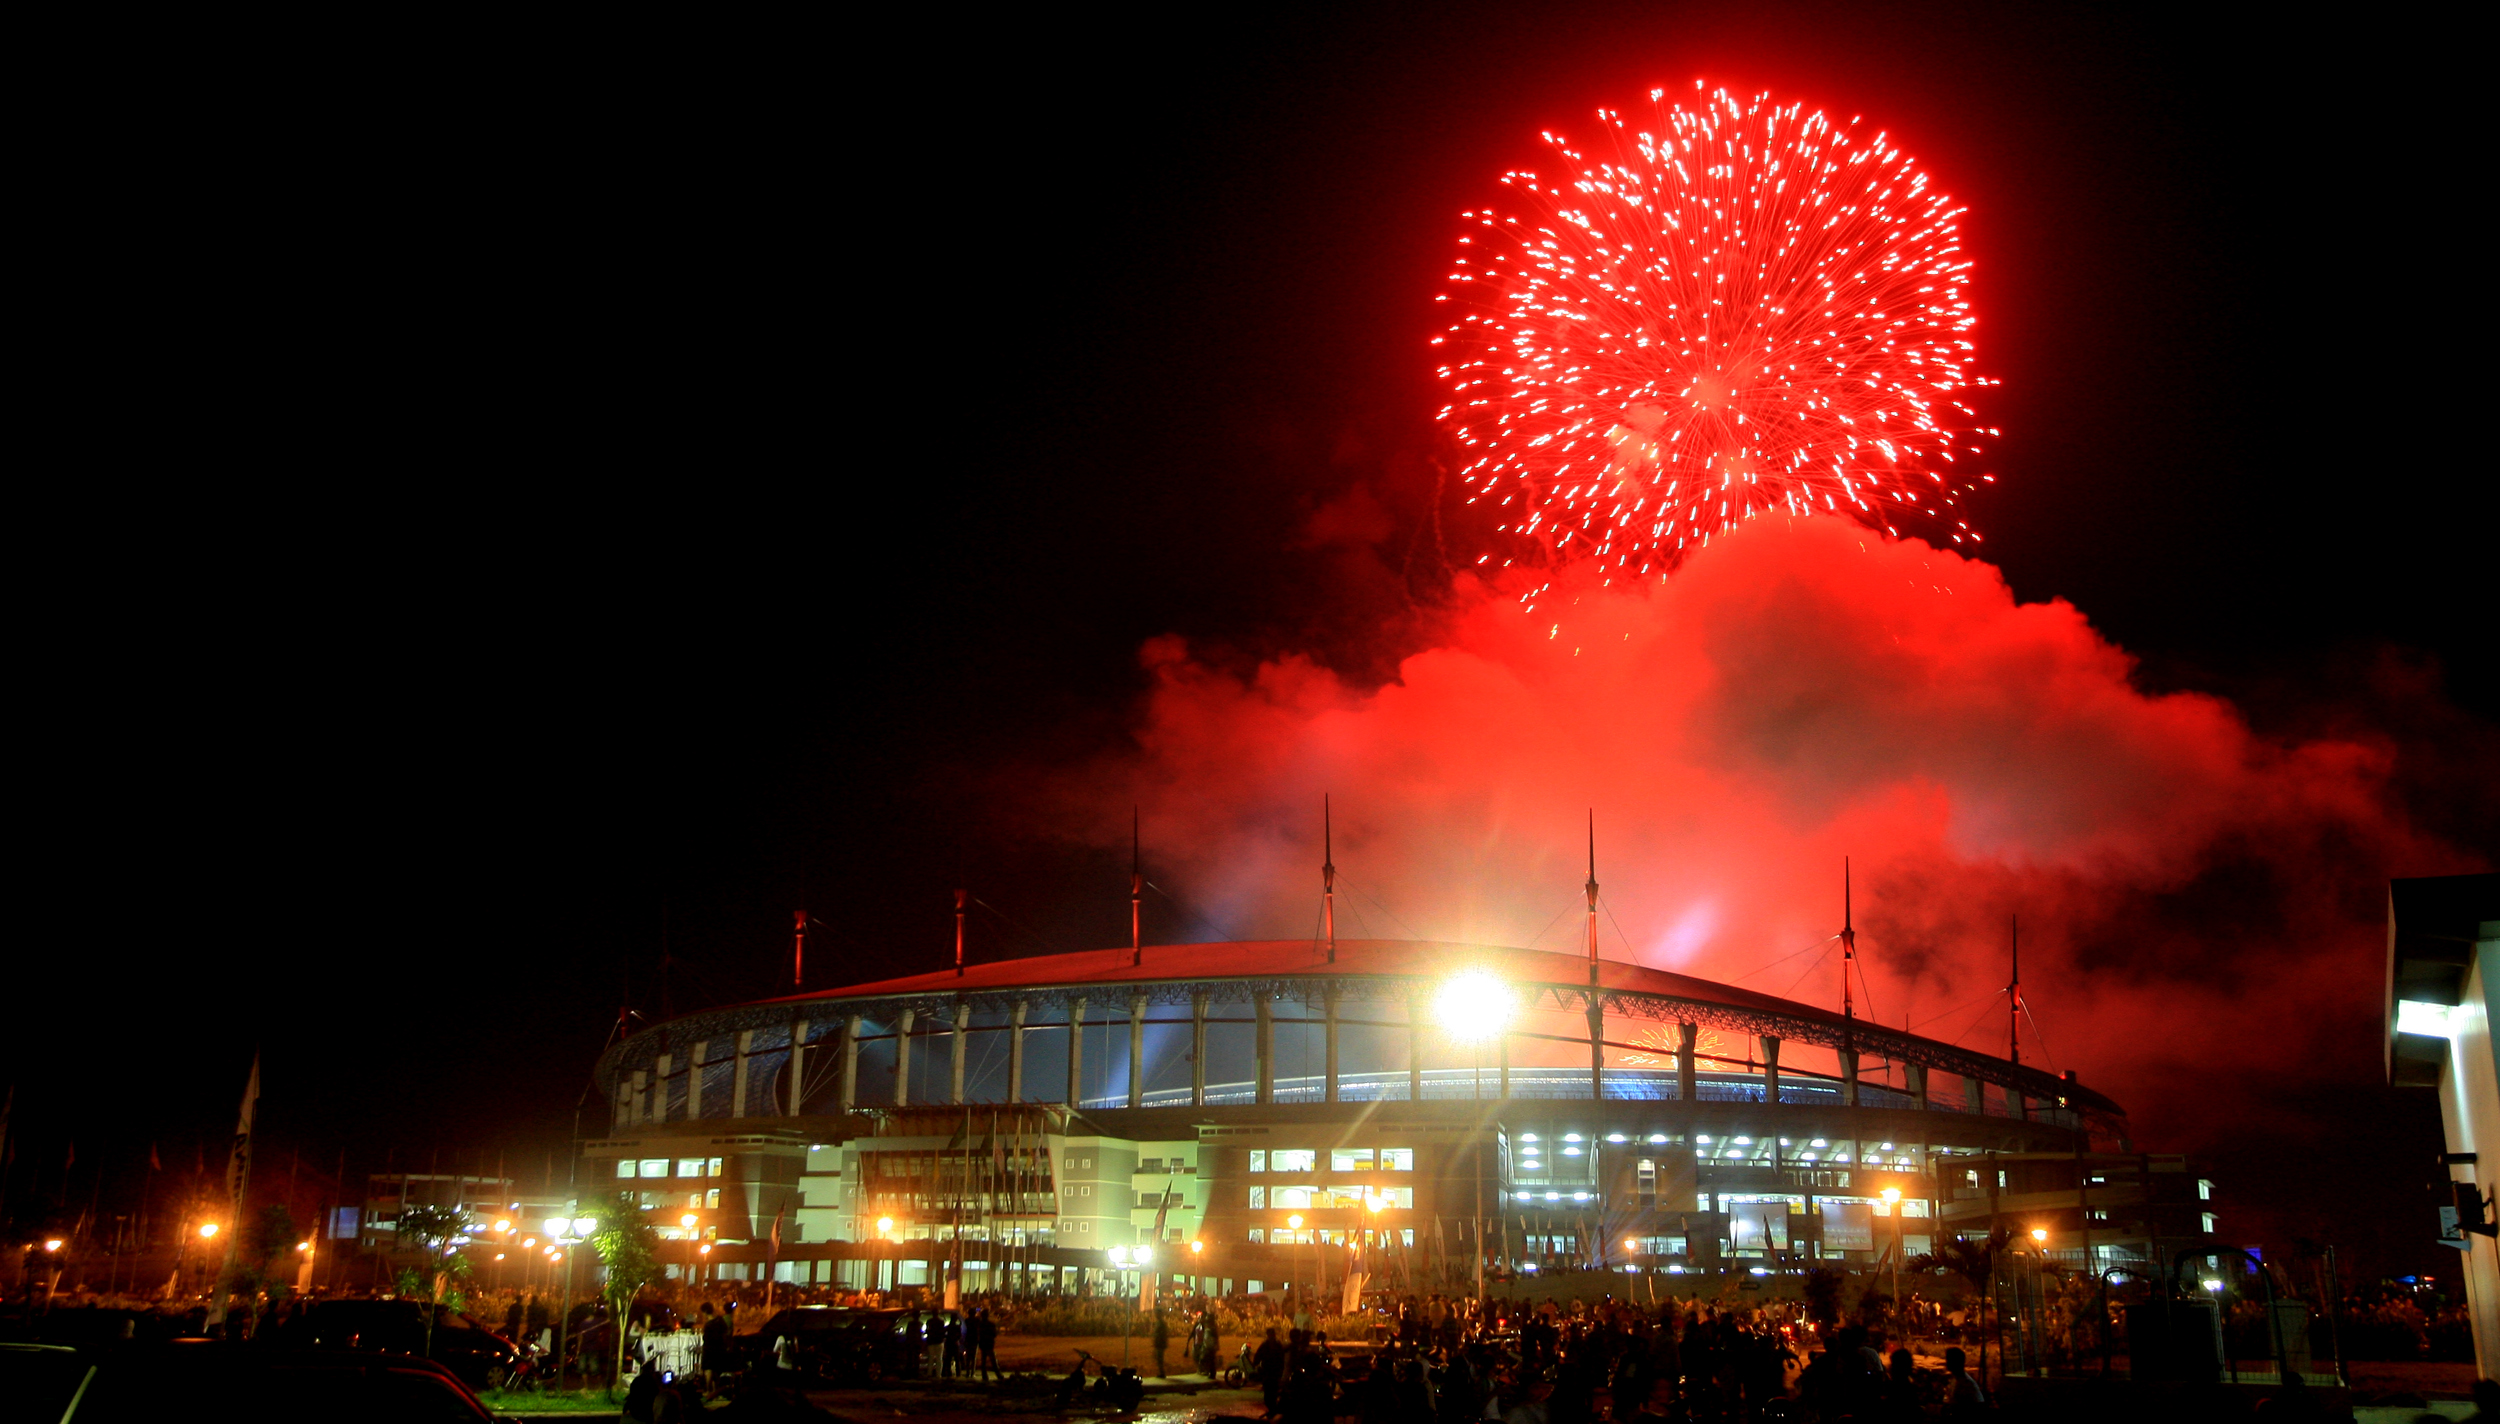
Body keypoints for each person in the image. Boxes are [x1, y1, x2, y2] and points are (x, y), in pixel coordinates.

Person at [1255, 1327, 1288, 1420]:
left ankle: (1273, 1412)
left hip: (1274, 1372)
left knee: (1272, 1393)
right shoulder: (1265, 1345)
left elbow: (1281, 1359)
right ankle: (1272, 1411)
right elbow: (1258, 1355)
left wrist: (1281, 1371)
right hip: (1267, 1371)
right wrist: (1256, 1363)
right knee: (1268, 1395)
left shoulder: (1277, 1345)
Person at [1943, 1346, 1985, 1419]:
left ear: (1955, 1362)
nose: (1946, 1363)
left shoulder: (1966, 1384)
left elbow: (1963, 1409)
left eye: (1948, 1360)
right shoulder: (1956, 1379)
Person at [1152, 1308, 1171, 1379]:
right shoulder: (1160, 1322)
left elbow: (1162, 1334)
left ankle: (1162, 1373)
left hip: (1160, 1343)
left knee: (1159, 1359)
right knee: (1158, 1358)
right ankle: (1161, 1372)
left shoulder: (1161, 1323)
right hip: (1159, 1343)